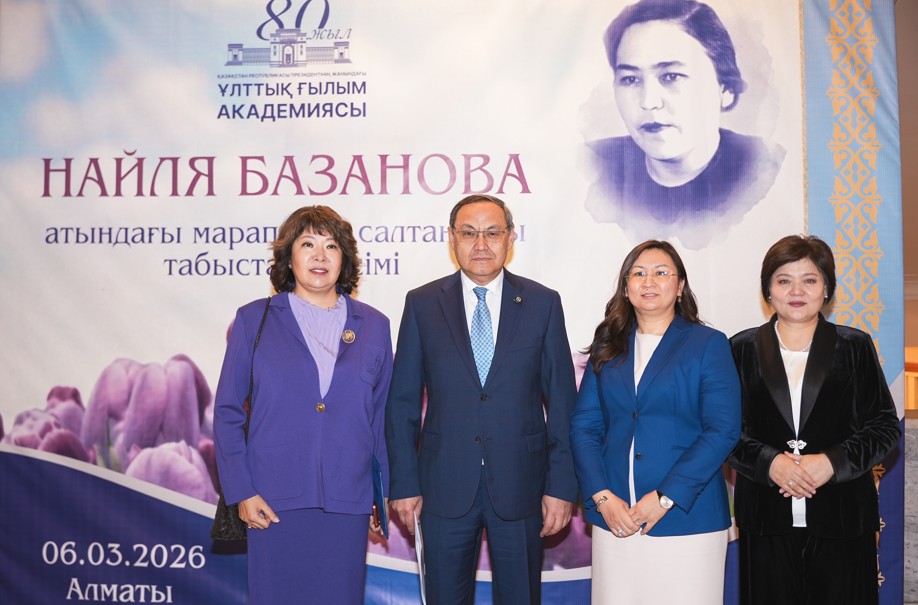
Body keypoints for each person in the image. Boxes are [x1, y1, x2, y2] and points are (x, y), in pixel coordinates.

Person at [385, 194, 579, 604]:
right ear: (451, 238)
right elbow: (402, 404)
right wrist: (403, 483)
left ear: (510, 237)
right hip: (442, 487)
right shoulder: (422, 304)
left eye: (492, 233)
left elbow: (563, 404)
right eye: (469, 233)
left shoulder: (543, 303)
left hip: (523, 485)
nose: (480, 244)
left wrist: (561, 486)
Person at [213, 206, 393, 605]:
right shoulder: (254, 319)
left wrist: (381, 493)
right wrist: (241, 491)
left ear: (344, 258)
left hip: (348, 498)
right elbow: (227, 412)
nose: (320, 255)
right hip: (271, 499)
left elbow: (380, 417)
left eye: (331, 246)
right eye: (308, 244)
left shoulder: (375, 325)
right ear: (289, 256)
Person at [728, 235, 900, 605]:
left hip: (842, 516)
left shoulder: (854, 345)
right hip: (766, 517)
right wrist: (769, 463)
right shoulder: (740, 348)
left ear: (827, 289)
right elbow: (724, 430)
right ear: (768, 290)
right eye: (783, 280)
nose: (797, 291)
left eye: (809, 279)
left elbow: (884, 426)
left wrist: (831, 463)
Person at [570, 239, 741, 604]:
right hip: (616, 518)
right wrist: (602, 497)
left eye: (661, 273)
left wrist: (665, 498)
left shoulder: (708, 344)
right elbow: (584, 427)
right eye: (639, 273)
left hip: (688, 518)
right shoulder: (607, 346)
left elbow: (722, 430)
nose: (649, 281)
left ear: (680, 287)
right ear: (626, 287)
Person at [584, 0, 784, 247]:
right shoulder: (592, 167)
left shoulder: (764, 167)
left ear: (724, 88)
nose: (648, 102)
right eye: (630, 79)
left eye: (671, 76)